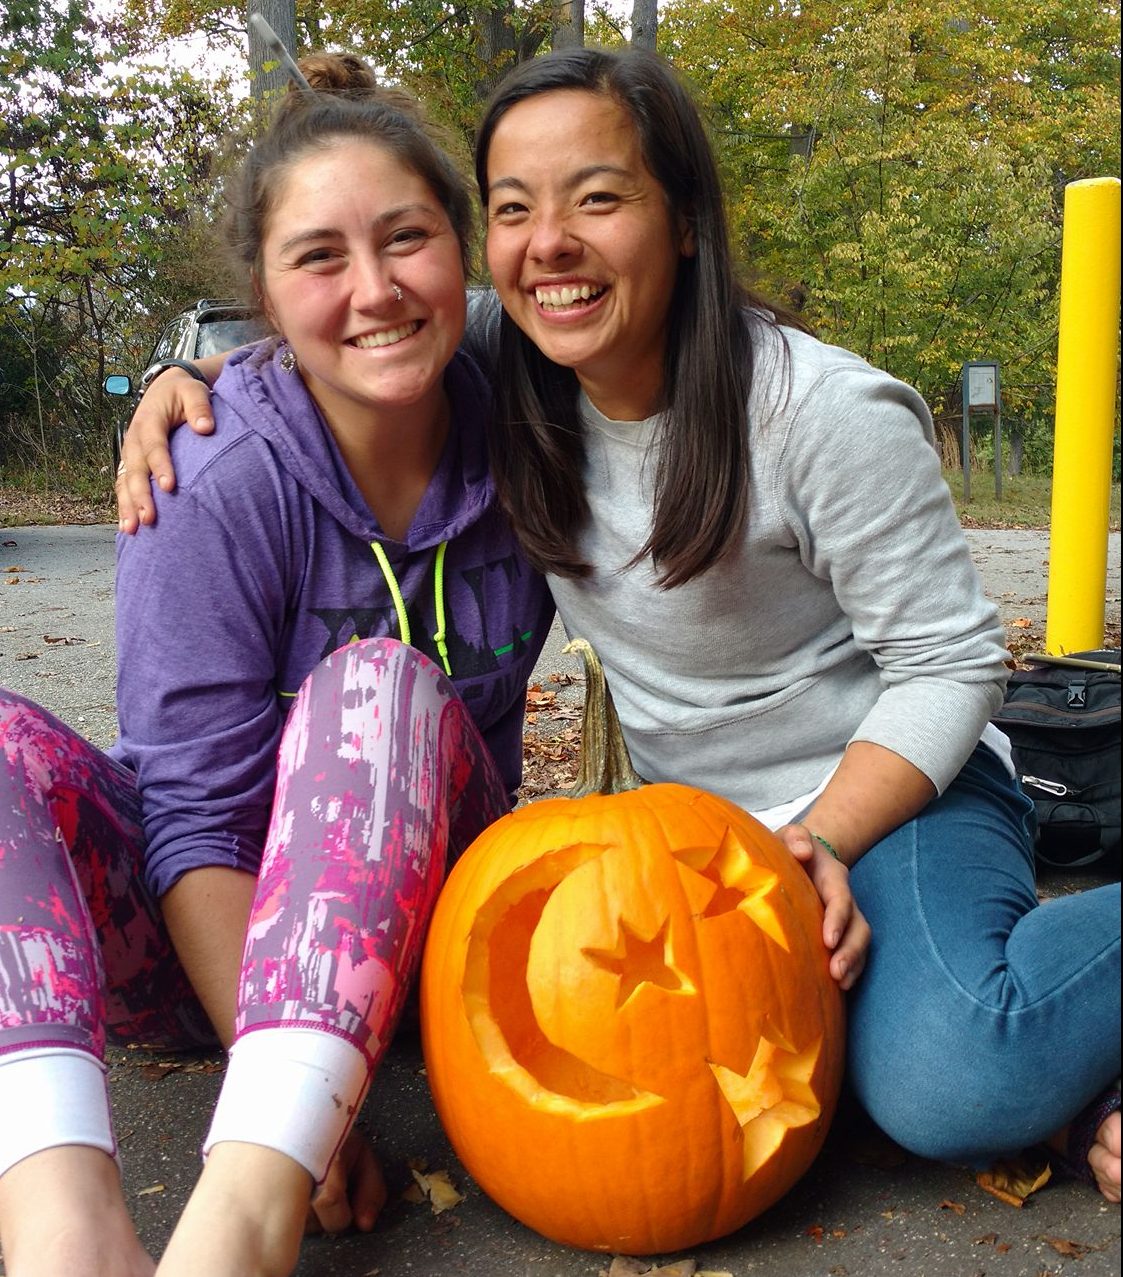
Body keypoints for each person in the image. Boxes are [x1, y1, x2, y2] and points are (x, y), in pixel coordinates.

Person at [118, 42, 1121, 1219]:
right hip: (691, 835)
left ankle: (1034, 1021)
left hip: (889, 793)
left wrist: (824, 844)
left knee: (952, 1080)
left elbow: (950, 661)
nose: (551, 242)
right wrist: (184, 383)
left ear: (683, 217)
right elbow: (356, 327)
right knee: (779, 1076)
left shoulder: (818, 412)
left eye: (597, 196)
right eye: (511, 209)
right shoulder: (516, 359)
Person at [0, 54, 557, 1277]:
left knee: (375, 679)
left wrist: (300, 1118)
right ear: (262, 289)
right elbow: (191, 811)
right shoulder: (215, 473)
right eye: (318, 258)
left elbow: (663, 331)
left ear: (461, 256)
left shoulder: (538, 420)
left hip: (428, 935)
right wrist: (278, 1073)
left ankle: (237, 1222)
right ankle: (60, 1220)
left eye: (407, 239)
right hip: (207, 949)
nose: (373, 289)